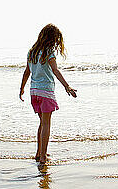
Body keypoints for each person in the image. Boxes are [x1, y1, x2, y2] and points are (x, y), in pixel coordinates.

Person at [19, 24, 77, 164]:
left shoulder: (31, 52)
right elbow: (55, 71)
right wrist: (67, 86)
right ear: (52, 39)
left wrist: (21, 88)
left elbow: (27, 72)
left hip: (34, 92)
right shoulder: (49, 52)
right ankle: (44, 156)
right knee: (46, 124)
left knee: (42, 123)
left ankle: (39, 153)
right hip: (46, 92)